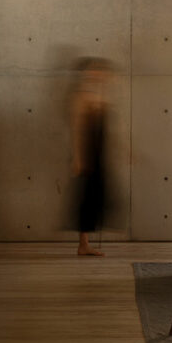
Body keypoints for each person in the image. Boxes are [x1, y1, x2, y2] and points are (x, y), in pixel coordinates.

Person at [71, 57, 112, 256]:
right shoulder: (81, 97)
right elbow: (78, 128)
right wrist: (79, 158)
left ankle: (85, 244)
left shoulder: (97, 96)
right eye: (95, 70)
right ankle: (83, 244)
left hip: (98, 155)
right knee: (87, 200)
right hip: (88, 156)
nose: (99, 74)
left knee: (95, 198)